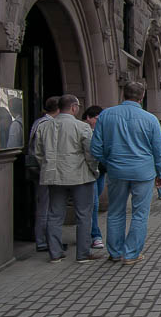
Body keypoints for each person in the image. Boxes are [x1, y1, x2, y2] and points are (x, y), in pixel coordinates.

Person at [90, 81, 161, 265]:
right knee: (140, 213)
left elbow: (95, 147)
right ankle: (131, 254)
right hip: (143, 172)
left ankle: (115, 253)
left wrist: (108, 162)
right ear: (142, 97)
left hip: (116, 171)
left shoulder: (106, 115)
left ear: (123, 94)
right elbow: (159, 149)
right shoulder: (150, 119)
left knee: (115, 212)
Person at [35, 95, 101, 263]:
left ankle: (55, 253)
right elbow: (90, 153)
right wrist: (94, 170)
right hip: (79, 176)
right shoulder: (82, 127)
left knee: (55, 215)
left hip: (53, 176)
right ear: (73, 107)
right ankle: (83, 253)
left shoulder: (44, 126)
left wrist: (48, 167)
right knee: (84, 215)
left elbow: (38, 153)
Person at [27, 96, 61, 252]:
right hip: (44, 171)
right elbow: (44, 151)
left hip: (41, 170)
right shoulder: (47, 124)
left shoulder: (39, 122)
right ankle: (43, 241)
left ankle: (46, 239)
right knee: (45, 206)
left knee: (45, 205)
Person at [81, 105, 106, 249]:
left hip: (100, 171)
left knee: (94, 202)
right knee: (93, 203)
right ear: (88, 118)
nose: (99, 121)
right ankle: (95, 235)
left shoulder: (101, 130)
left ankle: (90, 234)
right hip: (89, 172)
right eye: (97, 118)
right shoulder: (84, 130)